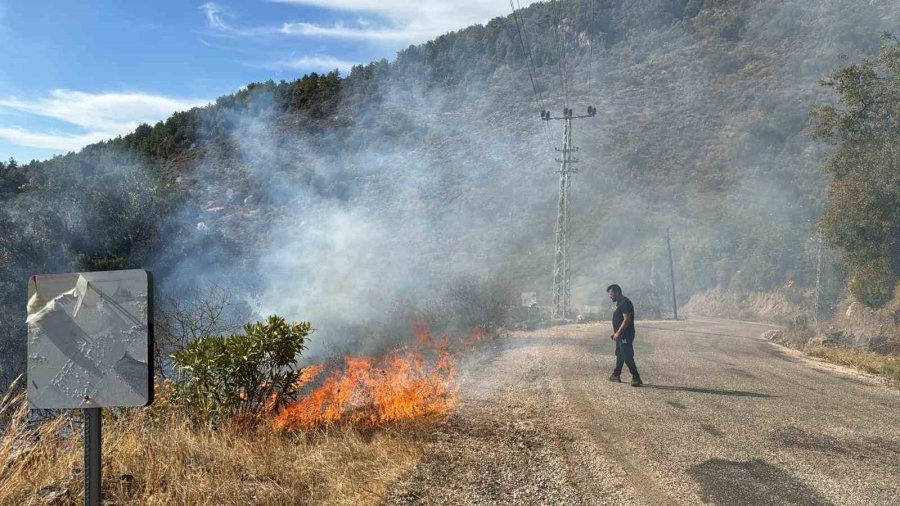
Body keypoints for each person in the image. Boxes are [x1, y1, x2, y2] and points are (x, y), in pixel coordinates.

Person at [606, 284, 642, 387]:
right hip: (620, 334)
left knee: (627, 355)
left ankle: (636, 377)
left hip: (625, 334)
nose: (610, 296)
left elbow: (626, 320)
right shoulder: (619, 303)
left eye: (611, 294)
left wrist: (618, 332)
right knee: (620, 353)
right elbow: (619, 319)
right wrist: (616, 333)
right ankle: (616, 375)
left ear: (617, 292)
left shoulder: (625, 303)